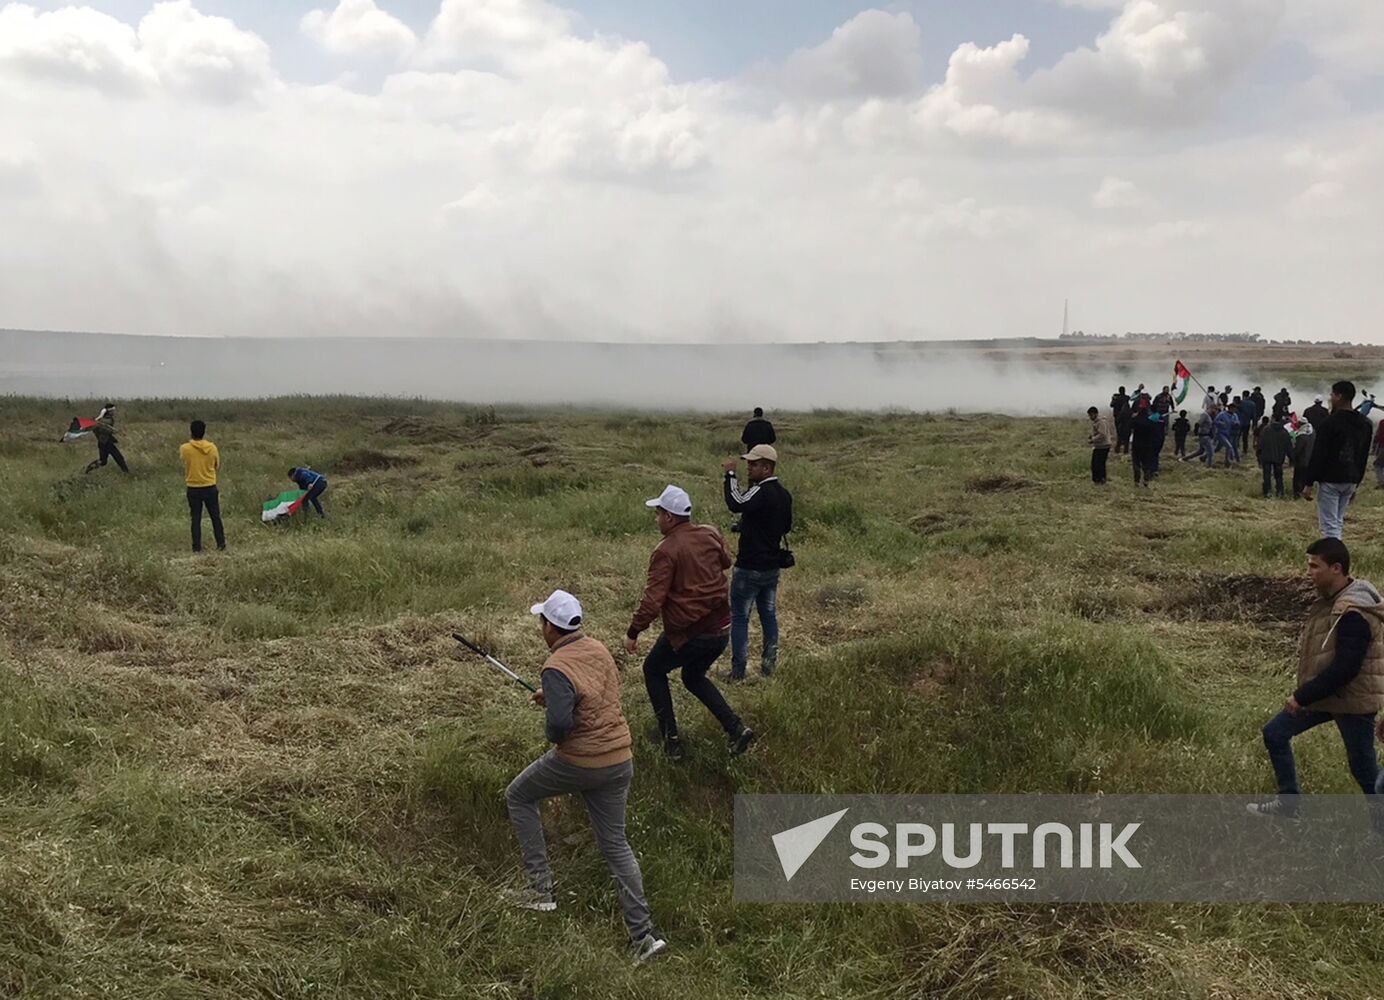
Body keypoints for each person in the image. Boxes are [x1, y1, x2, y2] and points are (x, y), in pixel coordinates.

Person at [503, 590, 667, 965]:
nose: (540, 627)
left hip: (582, 760)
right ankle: (643, 937)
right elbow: (591, 694)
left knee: (519, 795)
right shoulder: (597, 649)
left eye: (541, 620)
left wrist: (554, 710)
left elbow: (560, 726)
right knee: (616, 844)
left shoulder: (556, 665)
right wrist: (557, 696)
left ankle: (540, 889)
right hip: (619, 758)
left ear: (550, 626)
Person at [1248, 539, 1383, 818]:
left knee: (1367, 774)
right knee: (1275, 733)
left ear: (1336, 568)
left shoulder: (1353, 612)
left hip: (1352, 700)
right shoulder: (1331, 600)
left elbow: (1346, 669)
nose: (1308, 572)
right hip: (1327, 694)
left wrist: (1302, 696)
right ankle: (1289, 804)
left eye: (1314, 566)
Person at [626, 485, 755, 760]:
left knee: (653, 670)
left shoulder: (666, 550)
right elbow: (726, 561)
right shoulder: (709, 532)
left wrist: (633, 632)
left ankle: (671, 743)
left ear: (670, 517)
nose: (657, 518)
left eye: (658, 513)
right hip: (722, 628)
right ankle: (736, 728)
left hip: (692, 633)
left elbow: (652, 600)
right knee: (693, 676)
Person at [723, 444, 794, 678]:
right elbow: (786, 526)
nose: (749, 468)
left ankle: (738, 673)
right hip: (772, 567)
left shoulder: (760, 490)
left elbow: (736, 503)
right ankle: (768, 666)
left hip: (749, 566)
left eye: (753, 464)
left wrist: (730, 475)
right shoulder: (784, 495)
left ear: (767, 468)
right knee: (769, 616)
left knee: (741, 618)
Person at [1302, 381, 1374, 540]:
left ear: (1339, 396)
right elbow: (1363, 455)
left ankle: (1333, 558)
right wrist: (1357, 482)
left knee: (1329, 526)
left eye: (1332, 394)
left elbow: (1319, 454)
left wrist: (1308, 482)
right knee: (1338, 521)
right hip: (1351, 478)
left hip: (1331, 479)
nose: (1331, 398)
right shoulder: (1365, 424)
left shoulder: (1330, 423)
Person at [180, 420, 225, 553]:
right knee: (215, 516)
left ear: (191, 431)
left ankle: (196, 548)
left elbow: (184, 460)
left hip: (193, 487)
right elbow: (217, 465)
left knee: (196, 518)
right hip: (210, 486)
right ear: (204, 431)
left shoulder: (185, 448)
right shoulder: (212, 448)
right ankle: (221, 544)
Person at [83, 402, 129, 475]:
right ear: (109, 411)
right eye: (112, 411)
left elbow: (98, 429)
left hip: (102, 443)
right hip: (106, 443)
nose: (114, 412)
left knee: (103, 461)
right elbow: (103, 430)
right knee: (119, 458)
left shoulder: (101, 420)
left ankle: (88, 469)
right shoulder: (106, 420)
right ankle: (127, 473)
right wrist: (113, 431)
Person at [1257, 417, 1292, 499]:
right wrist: (1291, 458)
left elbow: (1260, 444)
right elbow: (1288, 447)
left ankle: (1267, 492)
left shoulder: (1266, 430)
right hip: (1279, 458)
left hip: (1266, 457)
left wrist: (1259, 456)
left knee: (1267, 475)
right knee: (1279, 476)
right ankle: (1280, 492)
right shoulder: (1284, 432)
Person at [1129, 400, 1158, 488]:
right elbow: (1154, 433)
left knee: (1136, 463)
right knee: (1146, 464)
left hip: (1137, 445)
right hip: (1147, 445)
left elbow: (1129, 425)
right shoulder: (1151, 421)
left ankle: (1136, 481)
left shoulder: (1136, 420)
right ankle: (1146, 481)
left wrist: (1134, 416)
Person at [1291, 421, 1315, 500]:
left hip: (1301, 461)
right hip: (1310, 460)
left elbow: (1297, 450)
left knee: (1298, 479)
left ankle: (1298, 495)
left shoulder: (1301, 436)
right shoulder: (1313, 433)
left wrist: (1292, 457)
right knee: (1305, 478)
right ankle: (1305, 493)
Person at [1111, 387, 1132, 456]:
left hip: (1118, 417)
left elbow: (1111, 405)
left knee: (1119, 433)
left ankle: (1118, 449)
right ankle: (1125, 449)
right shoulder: (1126, 398)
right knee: (1126, 433)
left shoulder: (1116, 398)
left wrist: (1114, 398)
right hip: (1126, 418)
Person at [1374, 419, 1384, 489]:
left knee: (1378, 465)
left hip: (1383, 446)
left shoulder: (1382, 422)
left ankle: (1382, 483)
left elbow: (1378, 435)